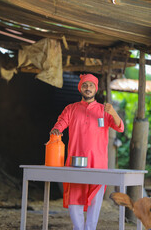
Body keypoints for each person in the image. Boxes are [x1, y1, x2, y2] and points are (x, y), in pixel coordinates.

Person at [50, 74, 124, 230]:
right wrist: (57, 130)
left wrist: (114, 113)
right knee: (74, 199)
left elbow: (120, 127)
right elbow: (60, 123)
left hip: (98, 163)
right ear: (80, 88)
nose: (88, 88)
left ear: (96, 89)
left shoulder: (104, 110)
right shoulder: (71, 108)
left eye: (91, 85)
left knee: (96, 201)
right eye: (85, 85)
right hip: (75, 163)